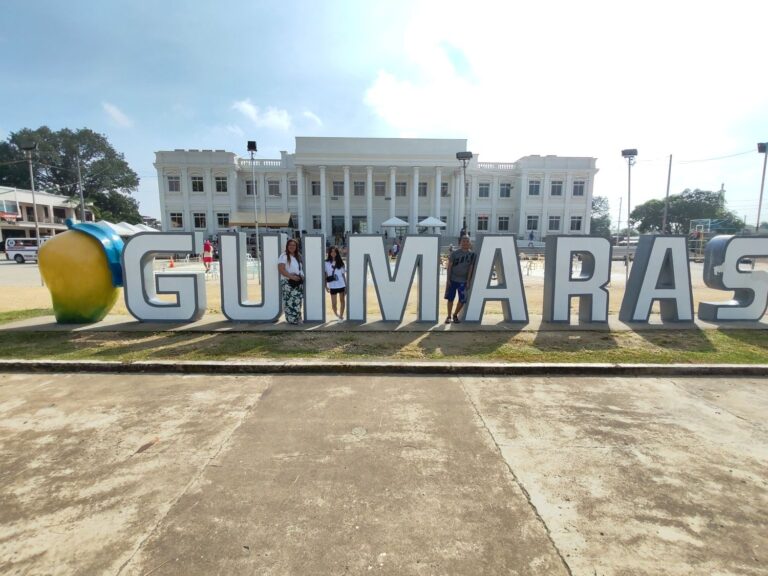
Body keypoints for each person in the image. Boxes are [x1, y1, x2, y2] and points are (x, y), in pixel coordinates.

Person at [444, 235, 475, 324]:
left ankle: (455, 315)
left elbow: (471, 268)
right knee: (450, 298)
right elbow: (449, 266)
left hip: (463, 281)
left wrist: (468, 281)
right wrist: (448, 279)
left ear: (470, 243)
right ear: (460, 243)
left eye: (467, 241)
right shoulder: (454, 253)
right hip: (453, 279)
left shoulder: (472, 255)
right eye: (463, 241)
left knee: (462, 300)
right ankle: (449, 316)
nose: (465, 243)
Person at [278, 238, 304, 325]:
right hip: (288, 282)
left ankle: (297, 318)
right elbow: (281, 269)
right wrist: (291, 277)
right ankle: (292, 320)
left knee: (298, 301)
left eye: (294, 245)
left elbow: (299, 269)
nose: (292, 247)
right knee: (290, 301)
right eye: (290, 245)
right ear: (287, 246)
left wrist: (301, 276)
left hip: (297, 281)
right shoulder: (284, 256)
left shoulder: (298, 256)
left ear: (296, 247)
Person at [324, 246, 347, 320]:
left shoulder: (341, 263)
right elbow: (325, 275)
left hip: (341, 284)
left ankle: (341, 316)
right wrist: (325, 286)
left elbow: (343, 275)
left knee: (342, 301)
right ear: (329, 253)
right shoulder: (326, 263)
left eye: (335, 251)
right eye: (331, 251)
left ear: (337, 253)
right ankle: (336, 314)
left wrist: (346, 285)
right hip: (332, 285)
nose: (333, 253)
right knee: (334, 304)